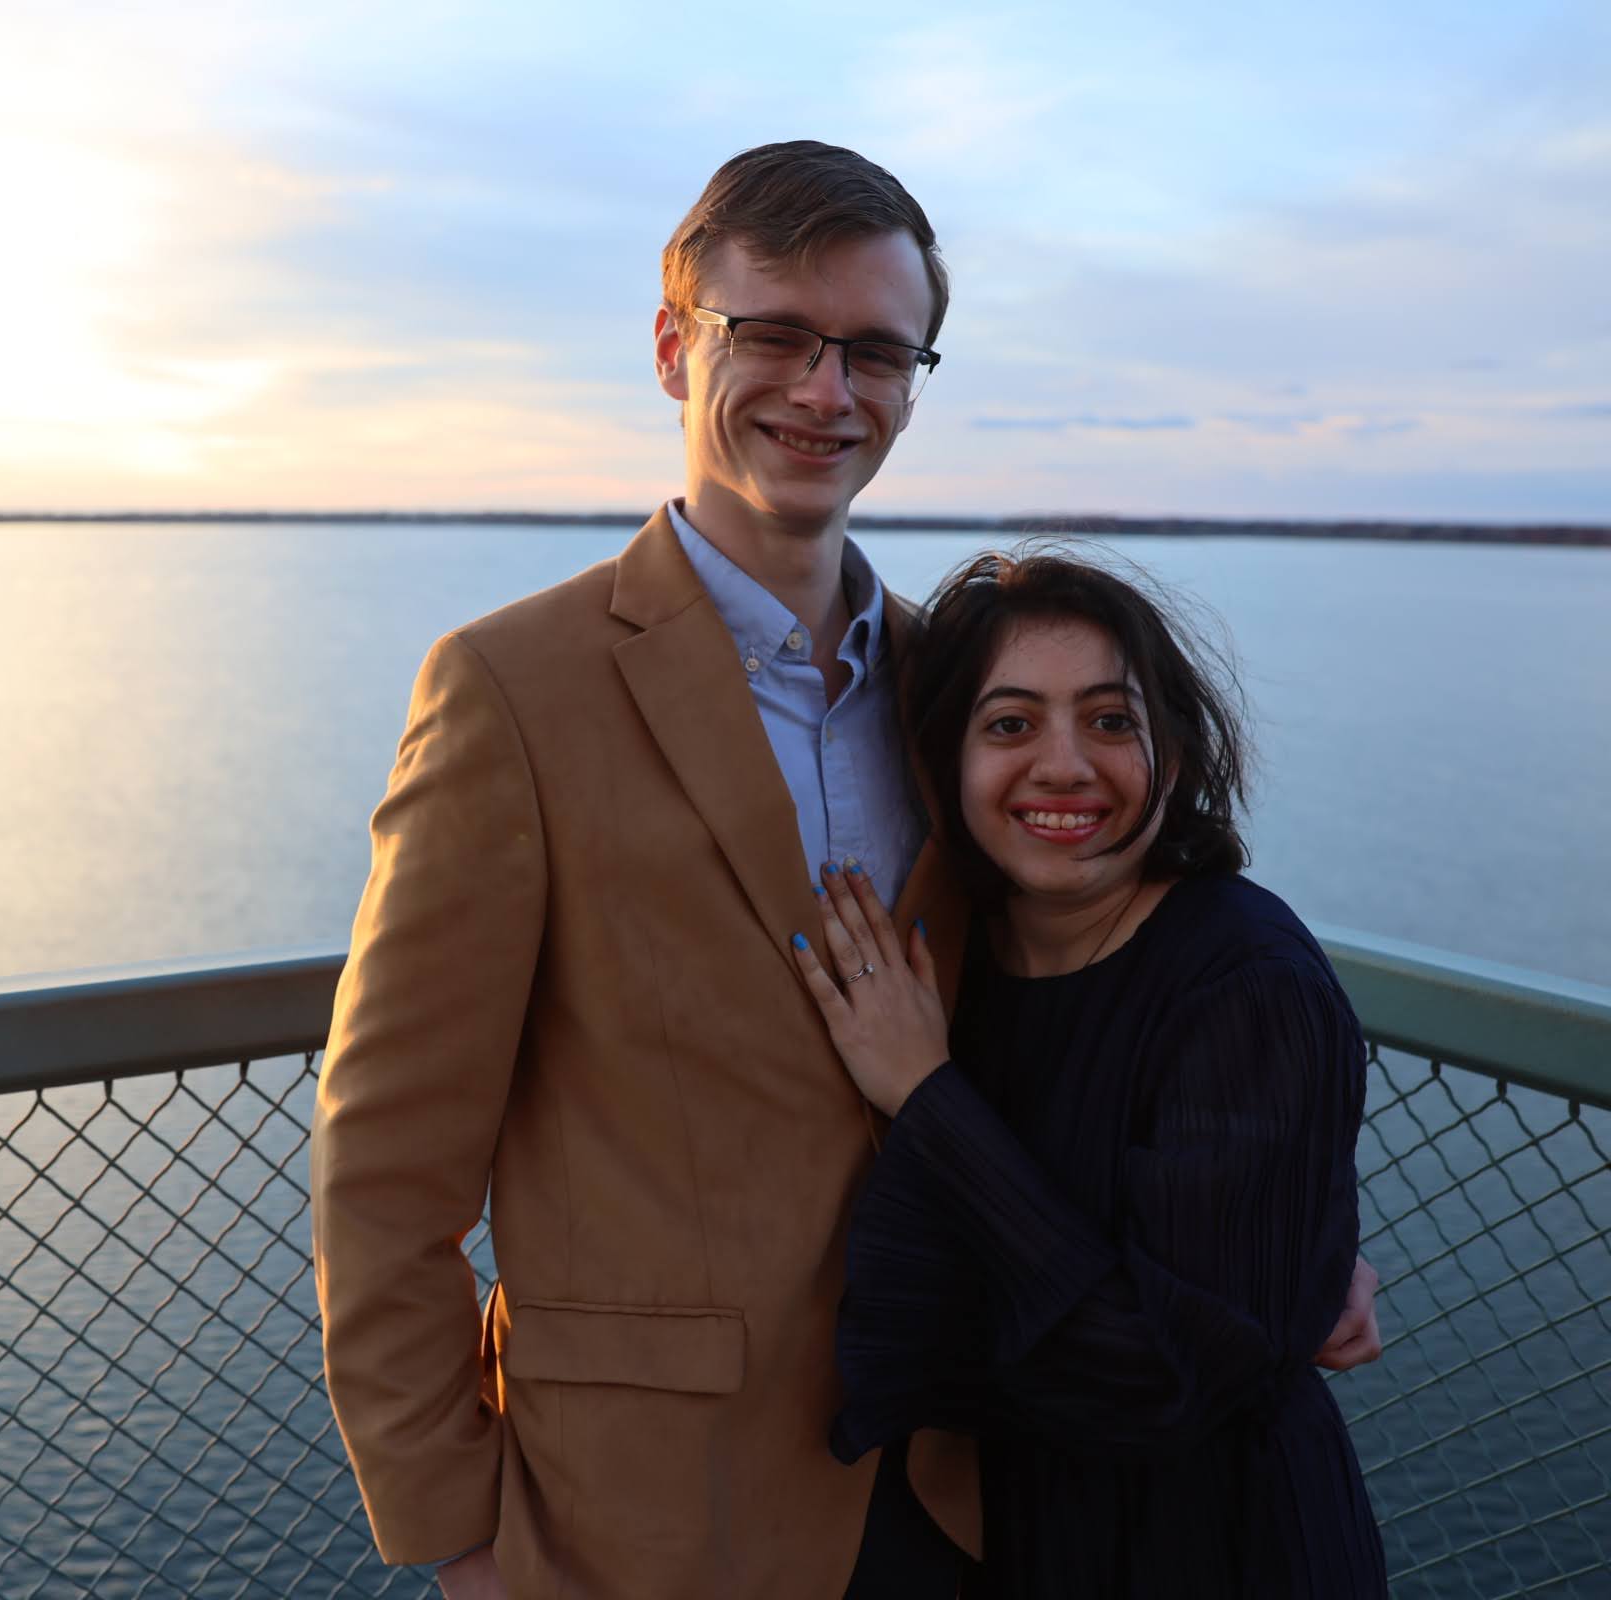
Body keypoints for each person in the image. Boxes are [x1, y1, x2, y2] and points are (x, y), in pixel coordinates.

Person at [311, 142, 1380, 1600]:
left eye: (876, 351)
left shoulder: (960, 698)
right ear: (677, 348)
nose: (827, 391)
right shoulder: (510, 691)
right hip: (651, 1515)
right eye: (778, 336)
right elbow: (387, 1174)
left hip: (968, 1475)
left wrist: (1288, 1257)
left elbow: (1073, 998)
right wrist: (456, 1538)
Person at [794, 549, 1388, 1597]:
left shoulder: (1247, 984)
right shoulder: (967, 967)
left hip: (1218, 1549)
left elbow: (1163, 1379)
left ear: (1178, 750)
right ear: (946, 762)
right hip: (1006, 1533)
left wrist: (929, 1099)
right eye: (1011, 724)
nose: (1065, 766)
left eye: (1112, 722)